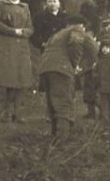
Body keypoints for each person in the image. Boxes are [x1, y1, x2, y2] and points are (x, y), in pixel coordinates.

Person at [38, 15, 98, 143]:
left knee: (53, 102)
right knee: (63, 102)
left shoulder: (58, 34)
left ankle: (54, 136)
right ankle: (62, 139)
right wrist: (76, 64)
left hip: (46, 67)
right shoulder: (77, 32)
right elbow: (87, 49)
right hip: (62, 69)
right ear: (81, 25)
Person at [0, 0, 35, 124]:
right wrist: (14, 31)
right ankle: (7, 112)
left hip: (21, 47)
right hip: (6, 45)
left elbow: (30, 27)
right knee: (9, 79)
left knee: (21, 79)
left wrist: (24, 32)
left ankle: (17, 112)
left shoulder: (25, 7)